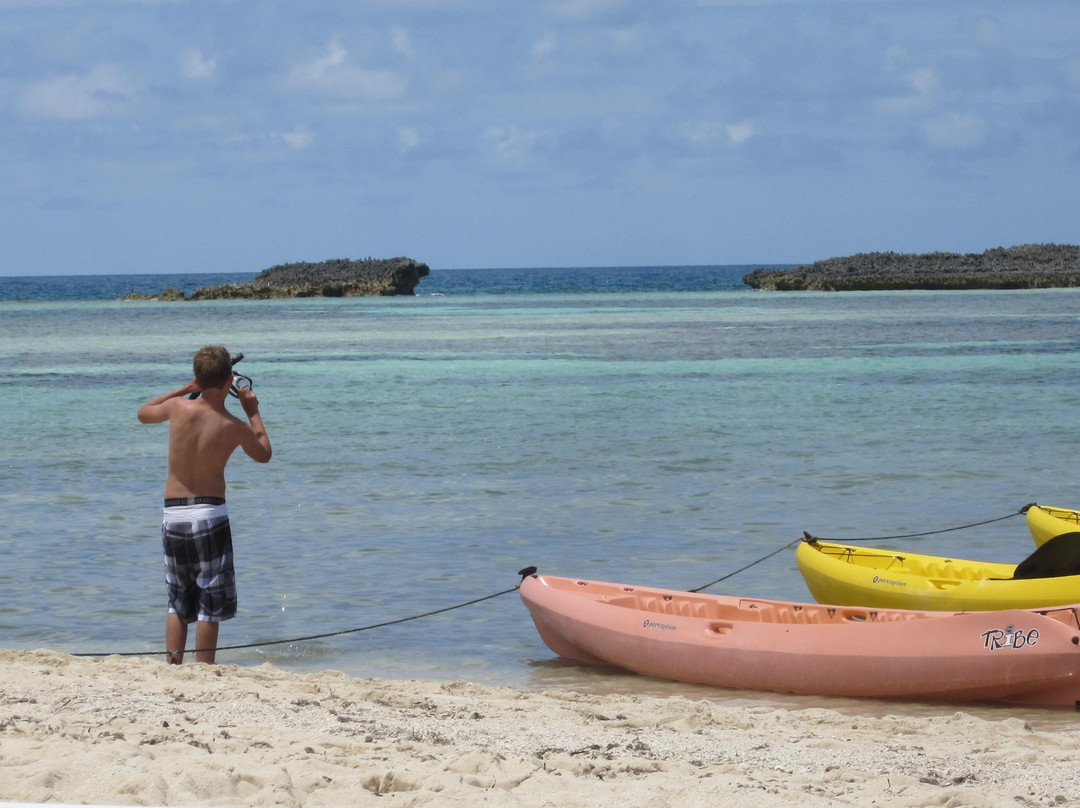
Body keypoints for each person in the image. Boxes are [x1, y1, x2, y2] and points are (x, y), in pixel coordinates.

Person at [137, 345, 272, 664]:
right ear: (229, 380)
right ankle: (204, 669)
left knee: (177, 599)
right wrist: (252, 412)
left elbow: (144, 412)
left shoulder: (178, 408)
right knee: (209, 600)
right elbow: (264, 453)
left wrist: (185, 388)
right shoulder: (234, 425)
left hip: (174, 514)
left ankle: (173, 664)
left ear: (198, 378)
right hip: (210, 515)